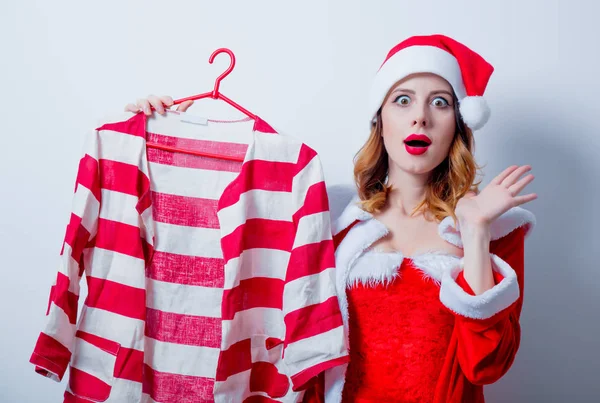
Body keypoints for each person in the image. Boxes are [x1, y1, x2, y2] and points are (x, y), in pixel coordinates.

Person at [125, 34, 537, 403]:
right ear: (381, 119)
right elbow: (217, 233)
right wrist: (166, 132)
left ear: (458, 125)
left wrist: (477, 232)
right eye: (403, 99)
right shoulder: (328, 215)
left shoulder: (496, 226)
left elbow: (487, 366)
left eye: (440, 102)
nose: (420, 117)